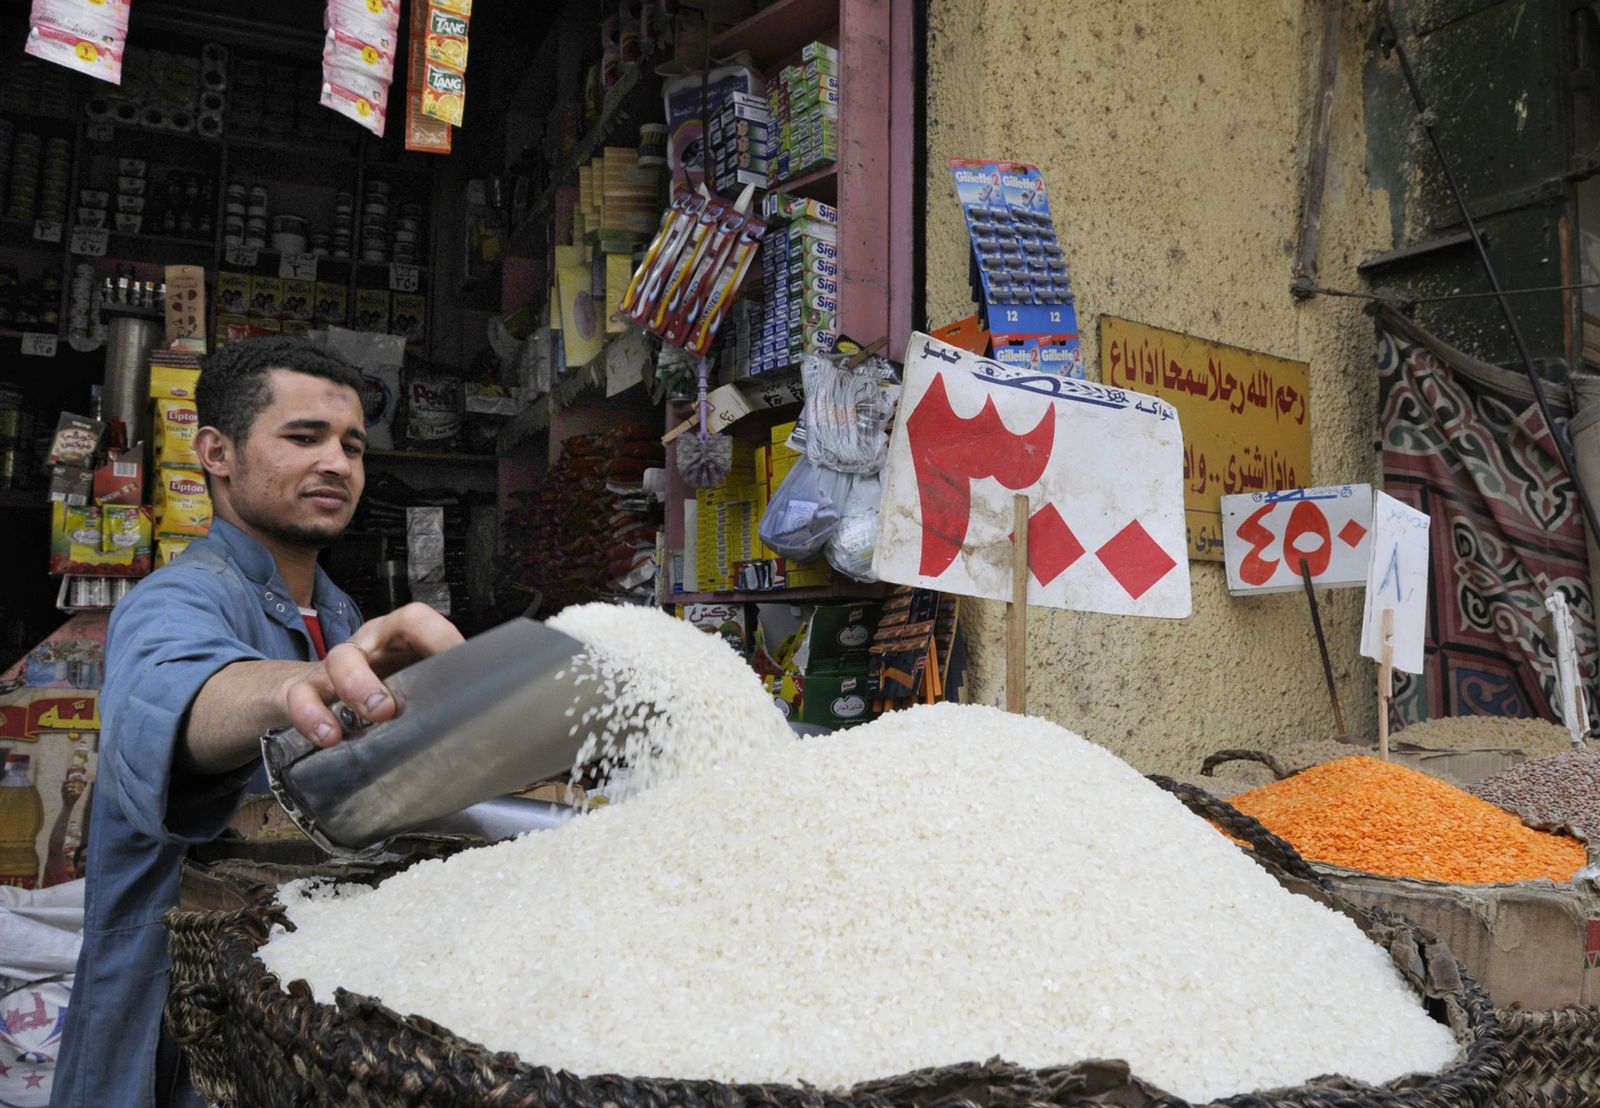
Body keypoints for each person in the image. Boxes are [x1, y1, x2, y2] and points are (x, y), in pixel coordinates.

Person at [51, 338, 465, 1108]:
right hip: (175, 1031)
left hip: (294, 1014)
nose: (337, 464)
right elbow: (181, 693)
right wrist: (298, 686)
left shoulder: (340, 614)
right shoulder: (177, 599)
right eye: (303, 437)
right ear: (217, 452)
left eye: (351, 446)